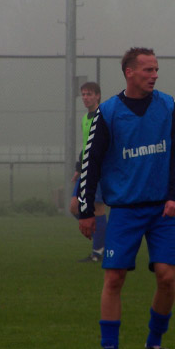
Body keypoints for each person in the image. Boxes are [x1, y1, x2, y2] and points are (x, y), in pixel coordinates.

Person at [78, 48, 175, 349]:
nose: (154, 75)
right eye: (148, 70)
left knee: (167, 277)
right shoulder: (109, 112)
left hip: (162, 210)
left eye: (156, 70)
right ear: (129, 72)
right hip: (125, 210)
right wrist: (86, 210)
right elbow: (92, 161)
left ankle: (154, 343)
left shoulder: (168, 106)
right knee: (114, 278)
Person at [69, 81, 107, 262]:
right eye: (83, 94)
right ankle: (101, 236)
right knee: (74, 206)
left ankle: (98, 252)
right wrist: (79, 168)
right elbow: (86, 147)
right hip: (85, 170)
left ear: (98, 96)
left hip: (98, 170)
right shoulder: (85, 119)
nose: (85, 98)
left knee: (97, 207)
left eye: (89, 94)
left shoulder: (104, 117)